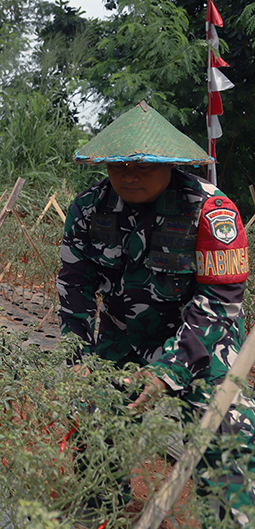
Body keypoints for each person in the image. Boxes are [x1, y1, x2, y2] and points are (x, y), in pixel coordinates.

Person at [57, 101, 255, 523]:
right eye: (118, 166)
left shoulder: (212, 211)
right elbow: (74, 288)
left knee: (229, 439)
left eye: (144, 167)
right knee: (95, 428)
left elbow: (220, 304)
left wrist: (167, 371)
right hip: (122, 340)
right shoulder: (88, 208)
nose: (129, 175)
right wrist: (76, 358)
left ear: (171, 165)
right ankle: (102, 512)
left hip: (201, 346)